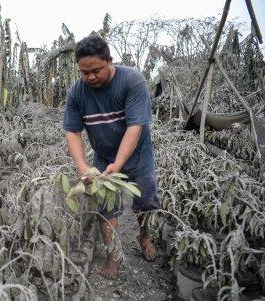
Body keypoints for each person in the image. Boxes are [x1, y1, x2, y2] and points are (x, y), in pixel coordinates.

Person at [62, 34, 162, 279]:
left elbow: (134, 128)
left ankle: (144, 235)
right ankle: (112, 256)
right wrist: (82, 166)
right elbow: (73, 132)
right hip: (103, 156)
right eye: (84, 73)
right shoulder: (77, 92)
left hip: (138, 156)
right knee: (107, 207)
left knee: (146, 201)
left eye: (95, 70)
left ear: (110, 61)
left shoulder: (132, 81)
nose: (90, 77)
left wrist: (119, 164)